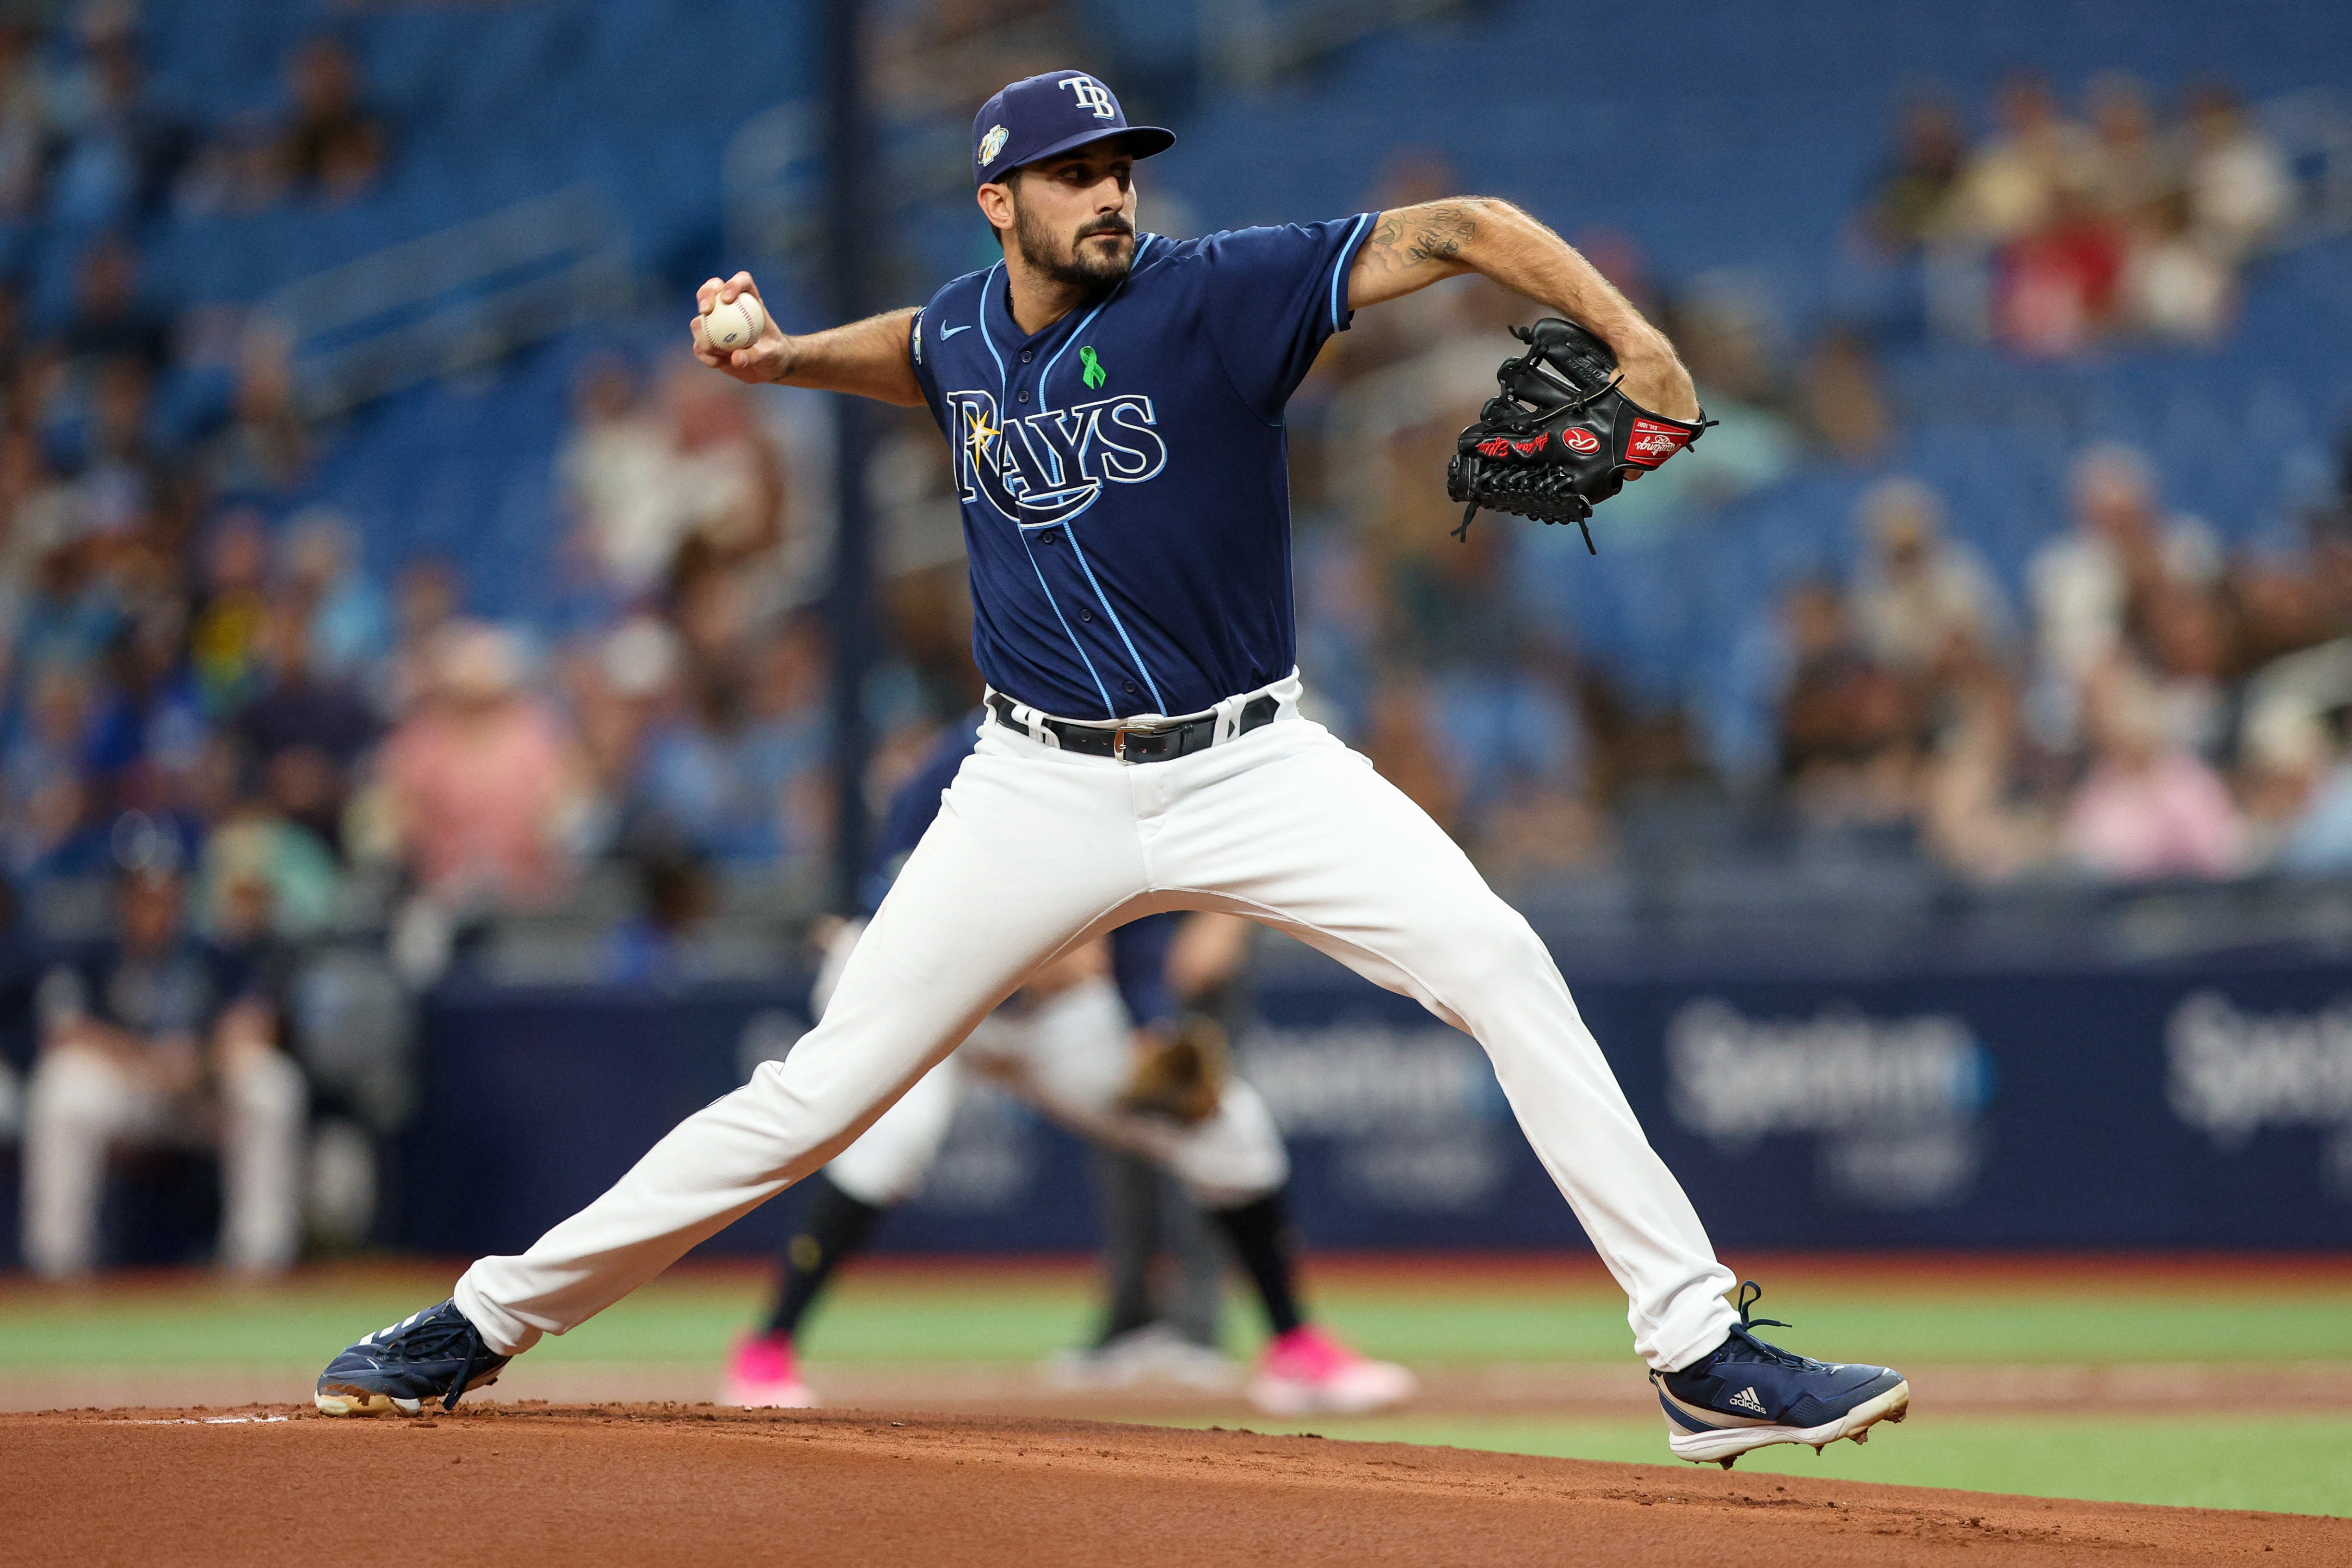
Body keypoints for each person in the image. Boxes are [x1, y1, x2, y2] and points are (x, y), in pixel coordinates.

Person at [317, 69, 1909, 1470]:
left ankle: (1697, 1352)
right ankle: (478, 1323)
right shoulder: (957, 323)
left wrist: (1630, 340)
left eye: (1120, 167)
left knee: (1497, 961)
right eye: (1075, 172)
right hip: (1033, 789)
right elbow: (918, 356)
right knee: (818, 1096)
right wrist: (777, 359)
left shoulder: (1218, 295)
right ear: (997, 199)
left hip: (1253, 762)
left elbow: (1463, 224)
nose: (1109, 193)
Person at [719, 718, 1413, 1416]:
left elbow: (1142, 920)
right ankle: (766, 1351)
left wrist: (1151, 1026)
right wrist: (1021, 953)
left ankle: (1294, 1348)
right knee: (890, 1146)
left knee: (1232, 1130)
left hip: (1051, 1018)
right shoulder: (971, 751)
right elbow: (896, 895)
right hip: (922, 994)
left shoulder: (1133, 761)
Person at [21, 864, 306, 1277]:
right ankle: (58, 1267)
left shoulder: (213, 952)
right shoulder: (93, 954)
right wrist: (146, 1059)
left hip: (201, 1094)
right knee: (62, 1088)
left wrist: (203, 1060)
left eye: (164, 895)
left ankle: (260, 1262)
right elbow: (64, 1031)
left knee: (271, 1086)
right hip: (126, 1090)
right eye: (142, 896)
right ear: (122, 900)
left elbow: (255, 1019)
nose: (154, 908)